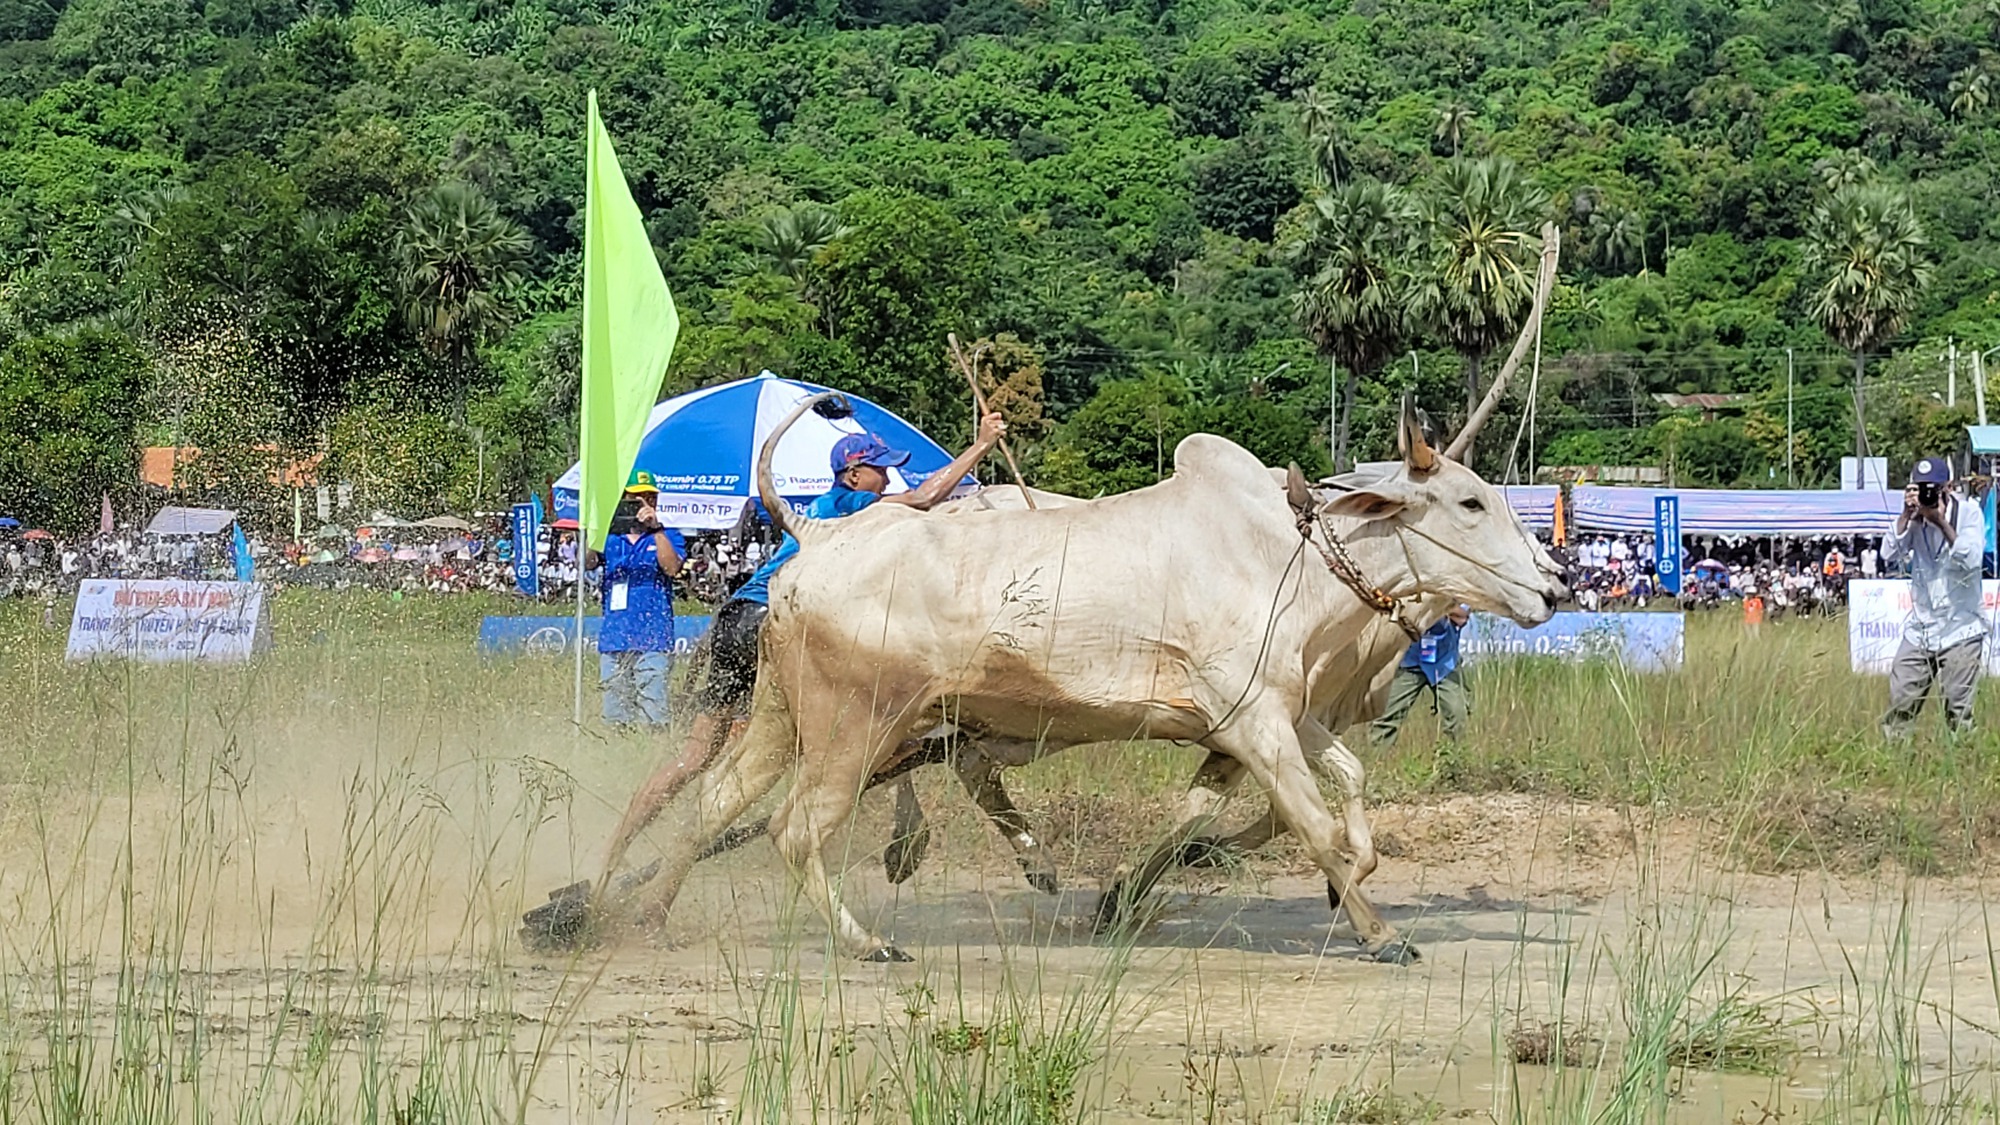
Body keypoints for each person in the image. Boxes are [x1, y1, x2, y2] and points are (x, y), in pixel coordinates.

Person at [598, 411, 1009, 870]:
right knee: (859, 737)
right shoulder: (851, 503)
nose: (887, 477)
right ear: (854, 474)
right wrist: (981, 446)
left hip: (737, 616)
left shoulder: (823, 505)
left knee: (695, 757)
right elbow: (926, 496)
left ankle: (612, 855)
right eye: (881, 469)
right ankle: (903, 813)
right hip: (772, 620)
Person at [1880, 457, 1986, 738]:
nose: (1926, 494)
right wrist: (1905, 516)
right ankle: (1895, 762)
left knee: (1958, 707)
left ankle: (1965, 763)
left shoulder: (1968, 512)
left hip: (1961, 625)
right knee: (1901, 700)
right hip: (1922, 627)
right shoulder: (1913, 518)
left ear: (1947, 488)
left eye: (1932, 488)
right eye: (1919, 488)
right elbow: (1887, 554)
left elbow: (1973, 560)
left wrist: (1940, 522)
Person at [587, 471, 686, 728]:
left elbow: (672, 568)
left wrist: (656, 529)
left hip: (653, 637)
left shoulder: (668, 534)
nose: (644, 502)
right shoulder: (610, 537)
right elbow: (586, 563)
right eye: (637, 497)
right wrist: (596, 528)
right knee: (614, 718)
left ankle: (652, 760)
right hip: (614, 639)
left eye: (650, 497)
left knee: (653, 714)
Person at [1369, 605, 1473, 746]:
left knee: (1457, 715)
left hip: (1444, 662)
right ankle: (1377, 762)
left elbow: (1461, 616)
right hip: (1410, 660)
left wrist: (1427, 608)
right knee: (1387, 715)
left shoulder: (1453, 586)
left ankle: (1457, 762)